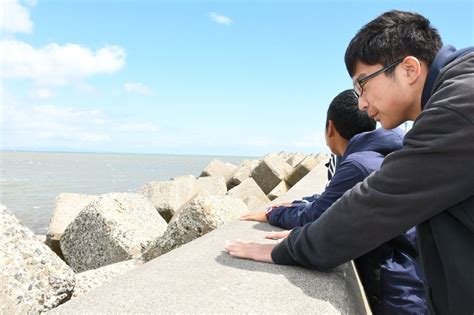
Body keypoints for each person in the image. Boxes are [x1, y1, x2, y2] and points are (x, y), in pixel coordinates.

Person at [225, 10, 474, 314]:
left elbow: (380, 200)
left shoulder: (460, 106)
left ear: (409, 69)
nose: (361, 103)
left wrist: (287, 250)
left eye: (363, 84)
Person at [240, 89, 426, 314]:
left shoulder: (359, 164)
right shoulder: (375, 155)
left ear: (330, 128)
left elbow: (317, 215)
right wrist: (296, 204)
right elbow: (329, 198)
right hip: (414, 276)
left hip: (399, 291)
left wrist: (272, 214)